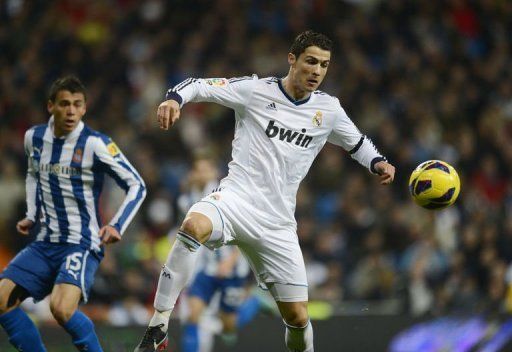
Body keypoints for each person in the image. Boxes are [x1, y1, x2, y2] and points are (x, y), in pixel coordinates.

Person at [134, 30, 395, 352]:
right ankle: (158, 324)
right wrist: (174, 98)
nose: (316, 71)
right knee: (192, 225)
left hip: (277, 224)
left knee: (298, 317)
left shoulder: (328, 110)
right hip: (235, 201)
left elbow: (357, 143)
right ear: (292, 59)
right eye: (310, 61)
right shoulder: (255, 90)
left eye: (324, 65)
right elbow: (200, 85)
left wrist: (378, 163)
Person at [0, 76, 146, 352]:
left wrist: (117, 225)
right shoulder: (34, 138)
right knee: (2, 299)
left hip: (81, 243)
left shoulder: (96, 144)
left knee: (61, 308)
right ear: (50, 106)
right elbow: (32, 174)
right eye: (64, 104)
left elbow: (137, 184)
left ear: (84, 109)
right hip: (46, 242)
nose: (70, 111)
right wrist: (31, 213)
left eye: (77, 105)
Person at [176, 154, 252, 352]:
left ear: (214, 172)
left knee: (228, 325)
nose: (200, 174)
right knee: (192, 315)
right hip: (207, 268)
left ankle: (254, 303)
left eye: (204, 169)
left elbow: (243, 232)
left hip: (232, 269)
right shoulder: (186, 199)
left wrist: (230, 261)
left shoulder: (225, 195)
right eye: (197, 169)